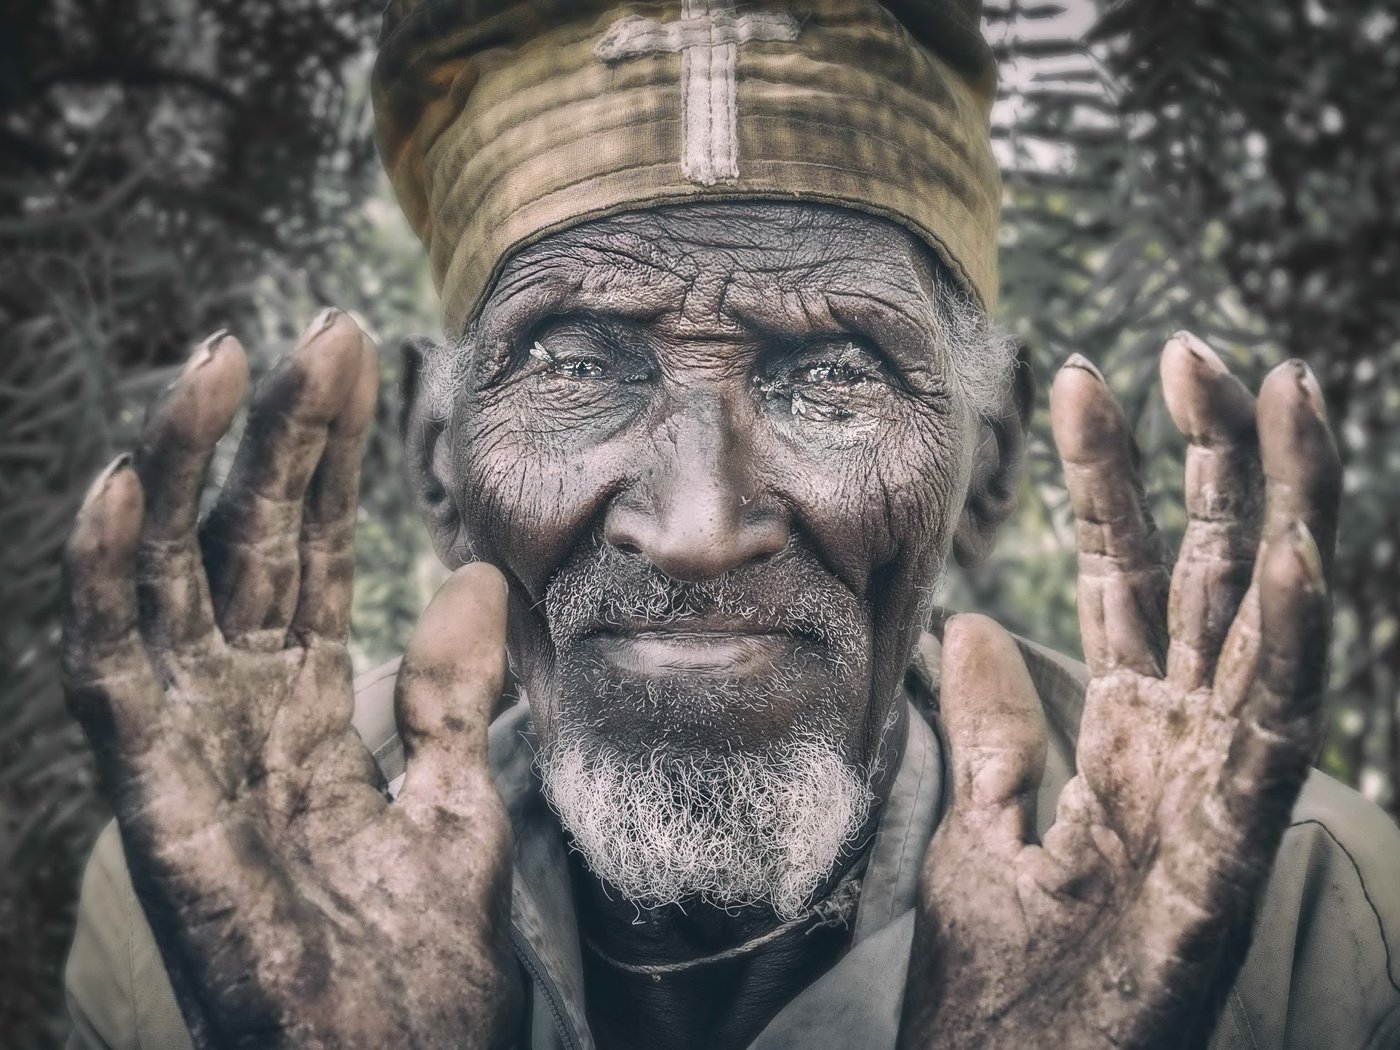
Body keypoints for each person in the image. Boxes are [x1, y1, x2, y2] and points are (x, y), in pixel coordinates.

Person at [60, 1, 1400, 1048]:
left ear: (985, 474)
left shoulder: (1307, 921)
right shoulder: (231, 886)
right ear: (435, 463)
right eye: (578, 366)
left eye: (830, 377)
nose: (699, 526)